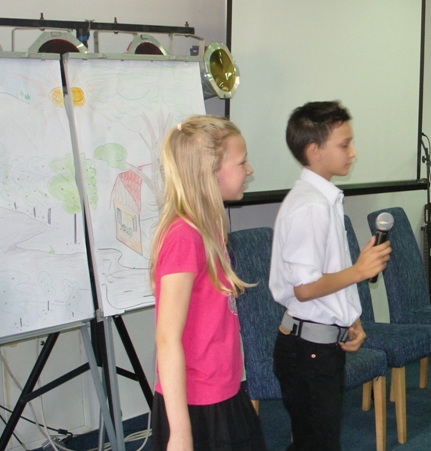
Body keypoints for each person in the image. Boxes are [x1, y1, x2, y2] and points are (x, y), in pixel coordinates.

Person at [268, 101, 391, 450]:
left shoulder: (323, 199)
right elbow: (305, 288)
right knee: (317, 443)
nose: (353, 152)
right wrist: (359, 271)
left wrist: (350, 319)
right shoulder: (311, 206)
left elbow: (328, 276)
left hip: (318, 345)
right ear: (315, 151)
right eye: (344, 144)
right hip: (306, 351)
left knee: (315, 442)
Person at [149, 116, 266, 451]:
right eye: (241, 162)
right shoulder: (184, 237)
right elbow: (167, 339)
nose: (250, 170)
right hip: (196, 406)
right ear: (211, 173)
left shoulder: (209, 229)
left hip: (224, 390)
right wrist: (180, 433)